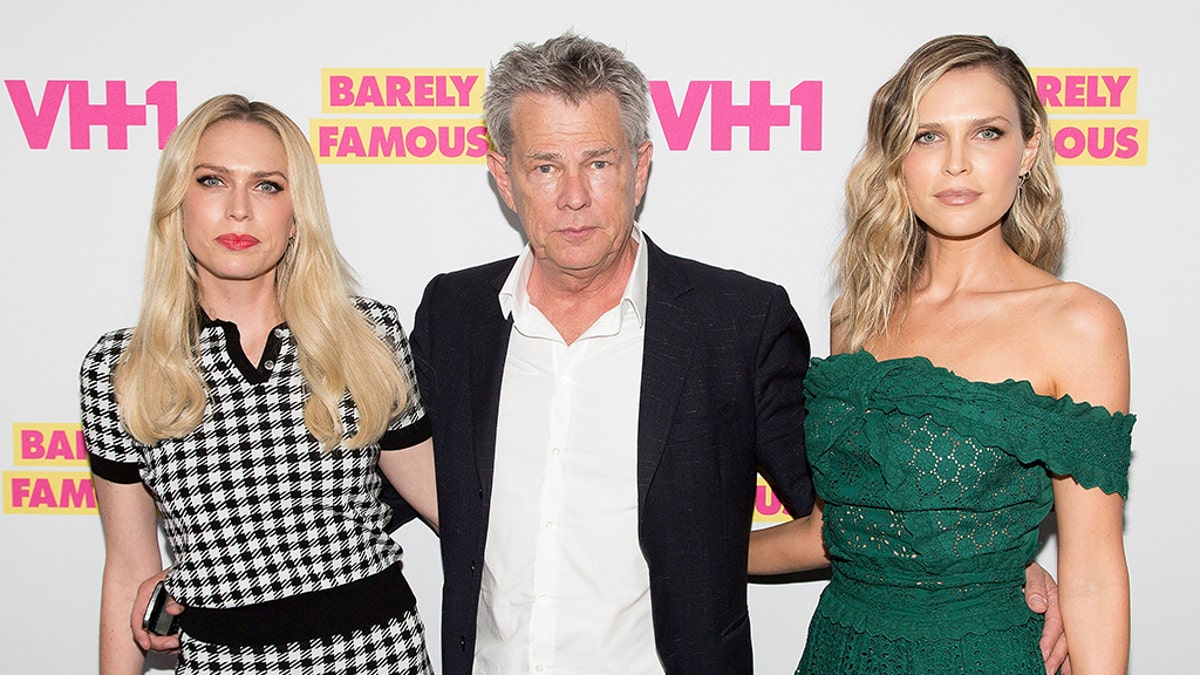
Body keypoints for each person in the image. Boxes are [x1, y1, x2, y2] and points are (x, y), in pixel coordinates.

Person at [409, 33, 1068, 674]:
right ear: (504, 176)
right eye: (545, 166)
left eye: (600, 163)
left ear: (639, 170)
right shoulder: (453, 314)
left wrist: (992, 560)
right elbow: (379, 468)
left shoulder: (739, 324)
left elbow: (854, 500)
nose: (575, 195)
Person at [749, 35, 1134, 674]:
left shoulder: (1079, 324)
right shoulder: (859, 314)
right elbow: (834, 532)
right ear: (897, 156)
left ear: (1029, 149)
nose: (956, 163)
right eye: (927, 136)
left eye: (986, 133)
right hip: (840, 652)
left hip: (982, 656)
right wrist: (692, 548)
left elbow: (1092, 571)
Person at [81, 94, 437, 674]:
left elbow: (457, 508)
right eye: (213, 181)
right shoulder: (121, 368)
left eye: (268, 186)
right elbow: (126, 570)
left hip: (377, 656)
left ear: (297, 215)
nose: (240, 210)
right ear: (177, 202)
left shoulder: (368, 338)